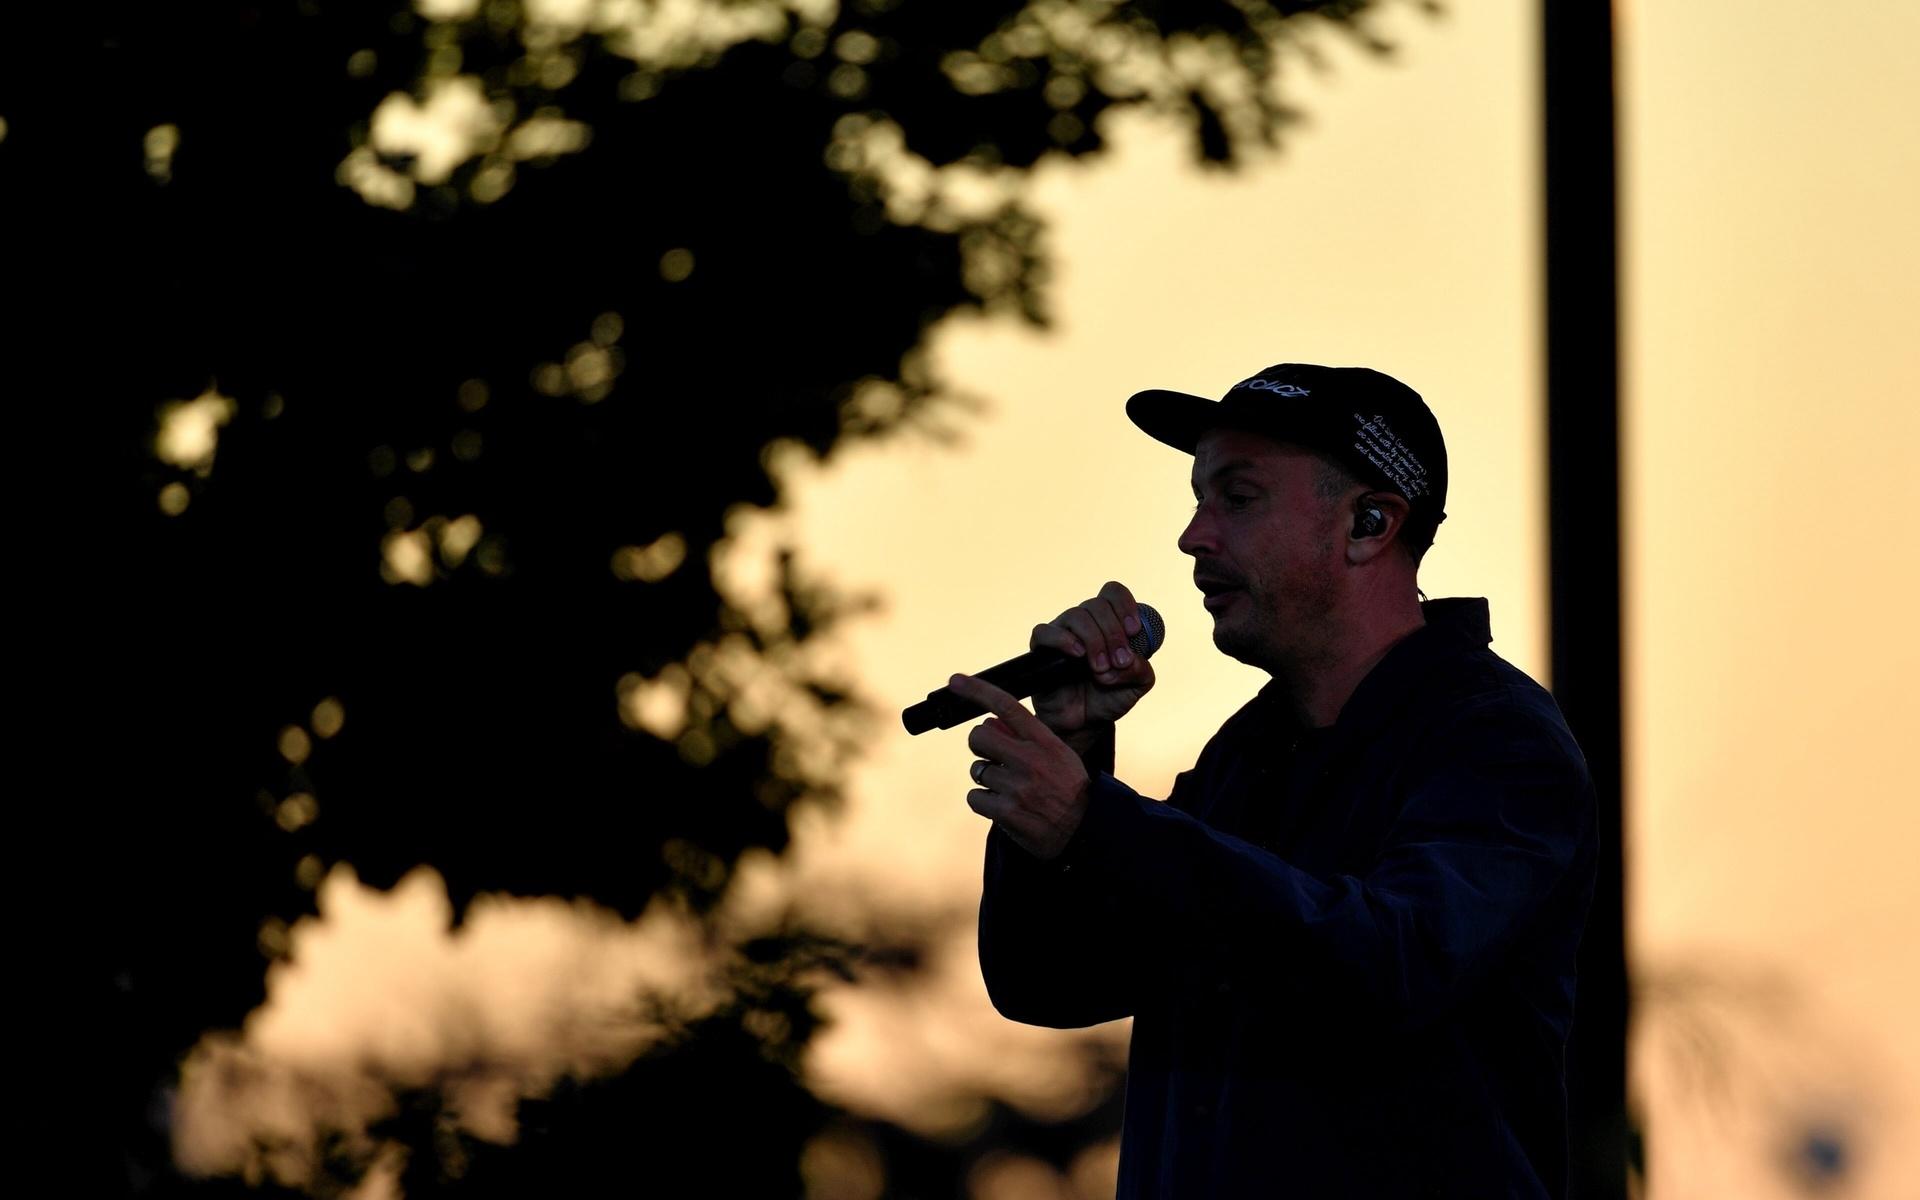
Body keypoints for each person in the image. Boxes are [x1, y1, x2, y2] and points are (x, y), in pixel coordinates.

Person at [947, 363, 1598, 1198]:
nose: (1194, 536)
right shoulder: (1247, 755)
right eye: (1197, 498)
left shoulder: (1497, 742)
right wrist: (1079, 753)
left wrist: (1096, 823)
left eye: (1237, 497)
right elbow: (1048, 978)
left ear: (1370, 524)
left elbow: (1390, 966)